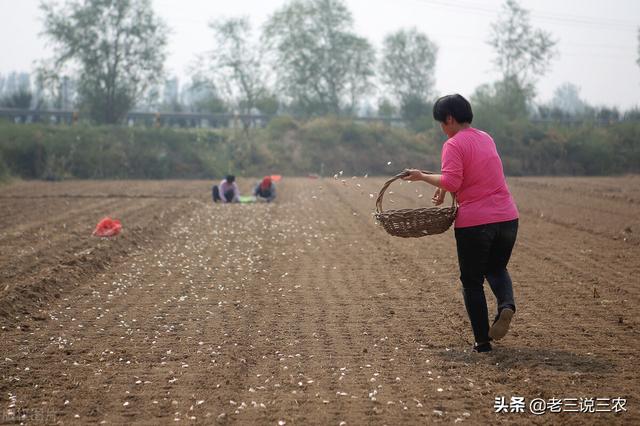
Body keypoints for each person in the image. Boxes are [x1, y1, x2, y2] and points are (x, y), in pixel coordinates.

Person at [402, 94, 519, 353]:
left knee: (472, 281)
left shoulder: (453, 144)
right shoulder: (485, 137)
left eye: (441, 124)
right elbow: (471, 176)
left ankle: (482, 342)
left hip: (476, 223)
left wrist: (422, 176)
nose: (442, 130)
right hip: (508, 218)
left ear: (450, 119)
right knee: (497, 268)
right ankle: (506, 305)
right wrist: (443, 187)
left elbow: (454, 181)